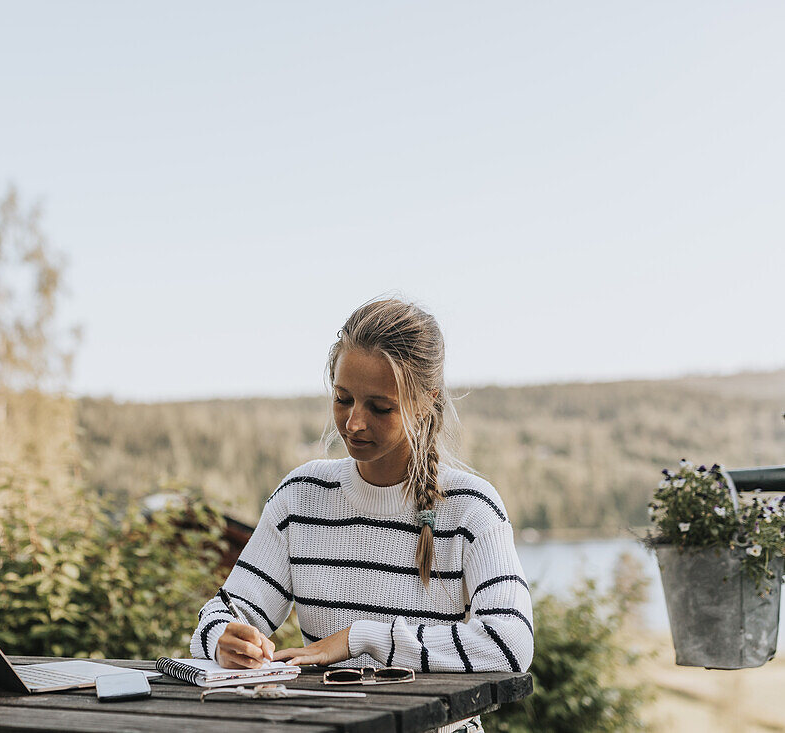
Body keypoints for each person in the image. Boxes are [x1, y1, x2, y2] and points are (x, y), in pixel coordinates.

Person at [190, 297, 533, 733]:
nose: (353, 423)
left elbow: (510, 644)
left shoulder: (472, 508)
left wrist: (363, 638)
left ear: (425, 402)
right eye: (343, 399)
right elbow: (221, 614)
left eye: (379, 407)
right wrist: (223, 640)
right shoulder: (300, 498)